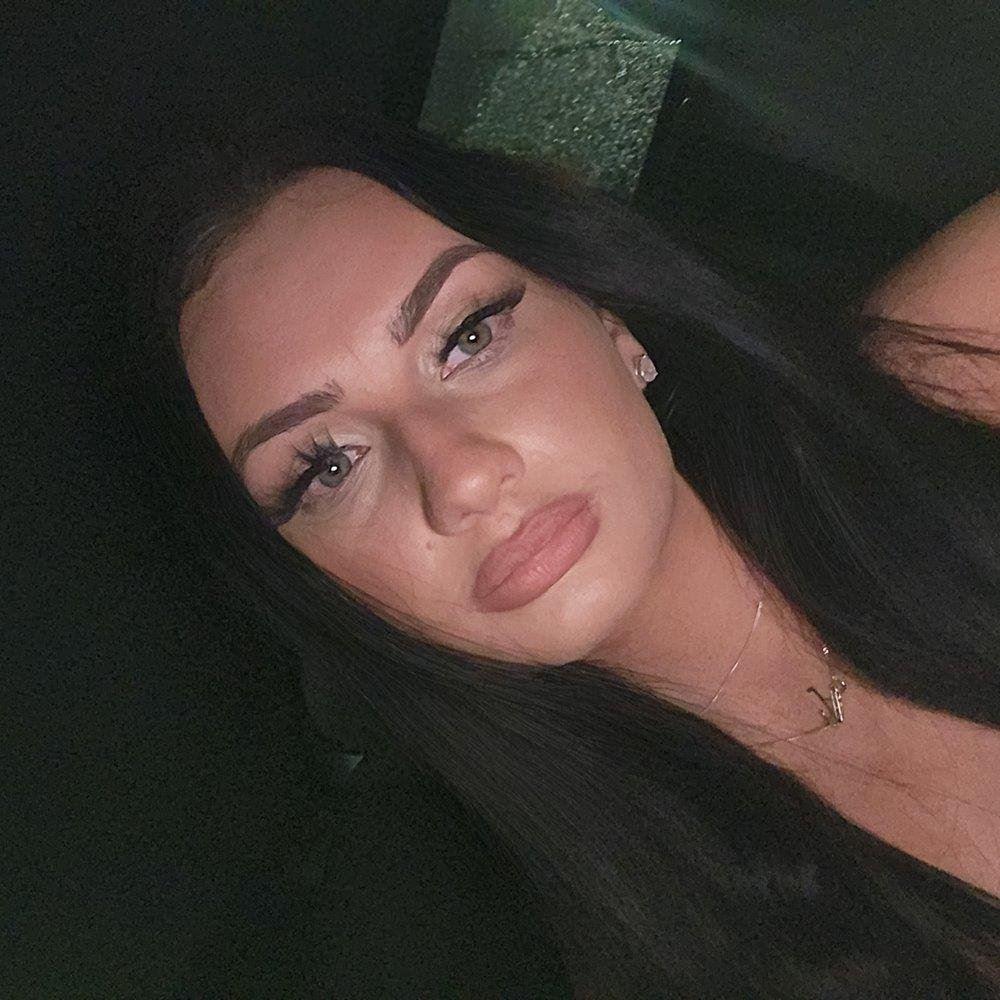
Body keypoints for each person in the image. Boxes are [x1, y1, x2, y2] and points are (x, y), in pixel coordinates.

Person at [124, 105, 1000, 997]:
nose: (460, 479)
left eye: (467, 337)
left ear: (609, 321)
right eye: (329, 468)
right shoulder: (527, 943)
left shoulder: (934, 384)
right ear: (316, 581)